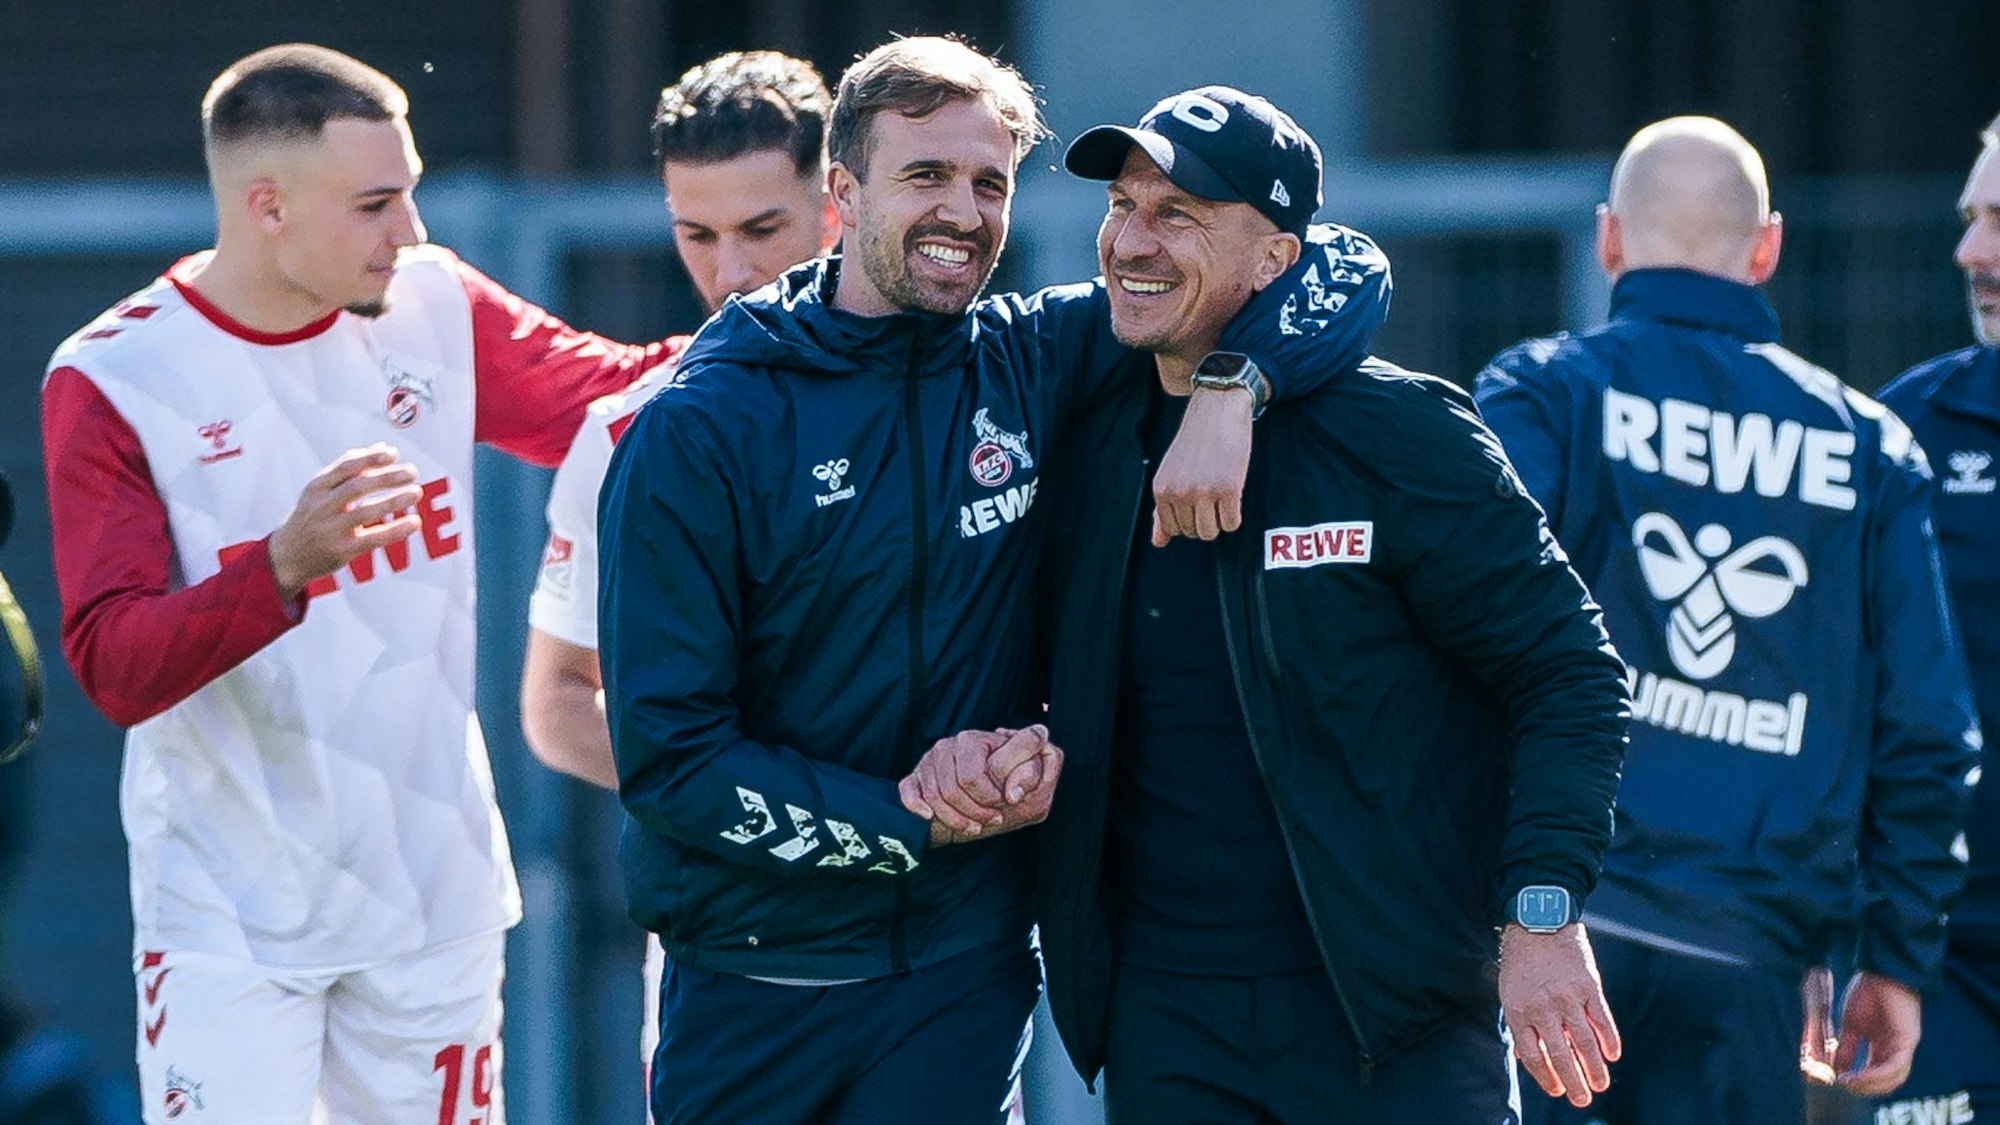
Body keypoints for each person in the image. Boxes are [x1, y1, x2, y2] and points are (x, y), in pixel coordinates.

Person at [597, 37, 1383, 1125]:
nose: (961, 213)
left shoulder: (1037, 355)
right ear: (841, 193)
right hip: (750, 990)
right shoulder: (701, 427)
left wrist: (1230, 387)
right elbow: (671, 764)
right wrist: (910, 818)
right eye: (924, 176)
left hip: (958, 985)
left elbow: (1335, 262)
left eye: (988, 182)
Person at [951, 85, 1632, 1124]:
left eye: (1176, 214)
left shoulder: (1398, 434)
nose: (1130, 240)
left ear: (1273, 262)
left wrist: (1540, 914)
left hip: (1390, 1026)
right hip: (1164, 1027)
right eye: (1121, 205)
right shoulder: (1078, 433)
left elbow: (1568, 676)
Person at [40, 44, 670, 1124]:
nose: (413, 232)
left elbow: (605, 400)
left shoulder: (430, 300)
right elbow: (114, 668)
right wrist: (280, 568)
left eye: (411, 191)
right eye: (377, 204)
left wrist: (807, 320)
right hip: (227, 925)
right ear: (267, 205)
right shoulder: (110, 376)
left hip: (432, 904)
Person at [1475, 116, 1978, 1124]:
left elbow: (1470, 633)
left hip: (1552, 934)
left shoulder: (1539, 394)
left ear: (1607, 240)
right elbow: (1924, 733)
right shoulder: (1869, 449)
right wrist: (1891, 955)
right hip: (1748, 954)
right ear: (1766, 249)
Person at [517, 48, 841, 1112]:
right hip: (721, 943)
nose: (728, 271)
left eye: (760, 230)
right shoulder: (626, 430)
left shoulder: (968, 382)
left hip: (939, 943)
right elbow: (557, 705)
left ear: (836, 202)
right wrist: (755, 804)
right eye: (696, 235)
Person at [1865, 110, 2000, 1125]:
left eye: (1998, 219)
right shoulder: (1902, 433)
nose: (1969, 250)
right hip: (1943, 960)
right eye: (1967, 217)